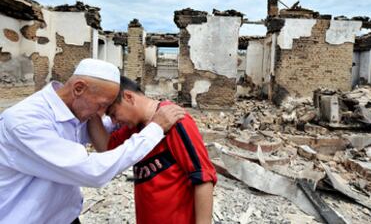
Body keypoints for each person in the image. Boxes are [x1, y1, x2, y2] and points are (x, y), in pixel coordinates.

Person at [0, 58, 185, 224]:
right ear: (78, 88)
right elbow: (93, 171)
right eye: (103, 104)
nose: (103, 112)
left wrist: (139, 115)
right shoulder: (25, 122)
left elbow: (105, 127)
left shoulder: (77, 110)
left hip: (65, 217)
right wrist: (155, 129)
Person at [88, 76, 217, 224]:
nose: (114, 121)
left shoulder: (175, 120)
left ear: (129, 97)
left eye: (113, 114)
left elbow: (203, 178)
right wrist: (90, 111)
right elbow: (106, 149)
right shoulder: (135, 127)